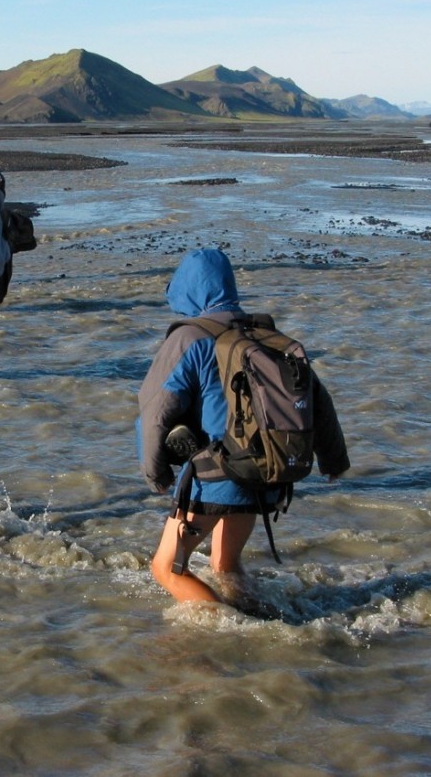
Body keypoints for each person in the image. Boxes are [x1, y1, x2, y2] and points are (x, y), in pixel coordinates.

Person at [137, 249, 350, 606]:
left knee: (166, 569)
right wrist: (334, 461)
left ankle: (229, 635)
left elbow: (154, 411)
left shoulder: (188, 339)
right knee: (226, 565)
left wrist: (154, 472)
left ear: (189, 289)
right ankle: (255, 618)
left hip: (219, 479)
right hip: (268, 476)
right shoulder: (267, 336)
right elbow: (320, 402)